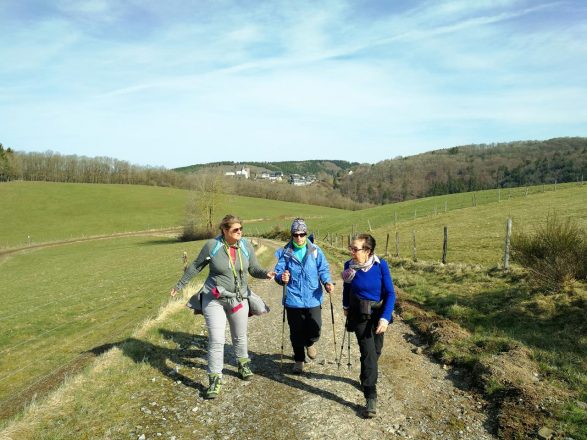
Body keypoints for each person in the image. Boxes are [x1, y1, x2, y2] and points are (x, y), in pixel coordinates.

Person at [170, 214, 275, 399]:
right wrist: (179, 286)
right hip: (214, 298)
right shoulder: (212, 246)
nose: (240, 232)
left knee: (239, 336)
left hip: (238, 298)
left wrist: (266, 274)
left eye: (241, 229)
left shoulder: (246, 246)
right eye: (235, 230)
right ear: (224, 231)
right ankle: (214, 379)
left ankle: (243, 363)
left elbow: (254, 269)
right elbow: (196, 266)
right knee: (216, 340)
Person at [341, 233, 396, 418]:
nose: (351, 251)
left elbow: (390, 294)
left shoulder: (381, 265)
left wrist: (385, 318)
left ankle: (365, 377)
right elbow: (347, 287)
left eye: (355, 249)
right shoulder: (349, 266)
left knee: (376, 350)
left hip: (378, 314)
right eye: (351, 247)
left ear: (368, 251)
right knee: (369, 353)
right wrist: (346, 306)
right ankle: (370, 395)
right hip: (359, 315)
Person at [274, 218, 334, 374]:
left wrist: (327, 281)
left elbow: (323, 269)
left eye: (302, 234)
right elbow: (278, 272)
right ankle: (299, 360)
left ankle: (311, 342)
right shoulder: (285, 252)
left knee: (315, 328)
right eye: (296, 234)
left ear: (306, 234)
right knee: (296, 331)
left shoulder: (315, 251)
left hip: (313, 297)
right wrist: (282, 277)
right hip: (293, 298)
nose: (299, 237)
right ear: (292, 235)